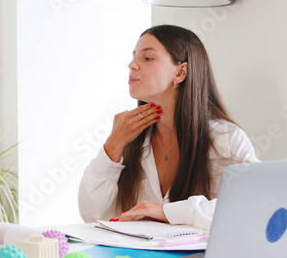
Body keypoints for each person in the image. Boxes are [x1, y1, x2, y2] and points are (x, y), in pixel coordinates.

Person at [78, 25, 259, 230]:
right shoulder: (131, 138)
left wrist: (167, 212)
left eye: (147, 58)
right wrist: (113, 145)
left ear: (181, 72)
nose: (132, 65)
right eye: (134, 57)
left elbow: (252, 205)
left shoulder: (226, 138)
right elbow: (92, 214)